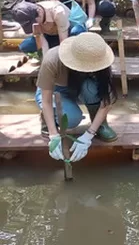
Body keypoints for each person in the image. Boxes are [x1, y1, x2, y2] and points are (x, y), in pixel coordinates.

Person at [37, 33, 118, 162]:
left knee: (91, 89)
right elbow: (46, 100)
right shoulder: (52, 59)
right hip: (55, 91)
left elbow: (106, 101)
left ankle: (101, 125)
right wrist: (53, 135)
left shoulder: (100, 59)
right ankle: (47, 120)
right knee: (71, 120)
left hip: (79, 87)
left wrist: (88, 135)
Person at [13, 0, 86, 54]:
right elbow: (42, 41)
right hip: (50, 35)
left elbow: (63, 40)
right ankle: (54, 48)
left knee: (76, 33)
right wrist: (46, 59)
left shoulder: (58, 12)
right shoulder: (31, 15)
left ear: (39, 12)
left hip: (67, 32)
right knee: (25, 46)